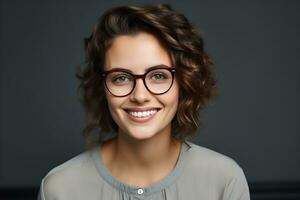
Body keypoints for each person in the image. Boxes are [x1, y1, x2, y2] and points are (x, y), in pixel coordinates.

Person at [37, 3, 250, 200]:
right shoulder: (59, 189)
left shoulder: (224, 181)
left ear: (184, 83)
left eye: (158, 75)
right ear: (102, 87)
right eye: (121, 77)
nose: (139, 96)